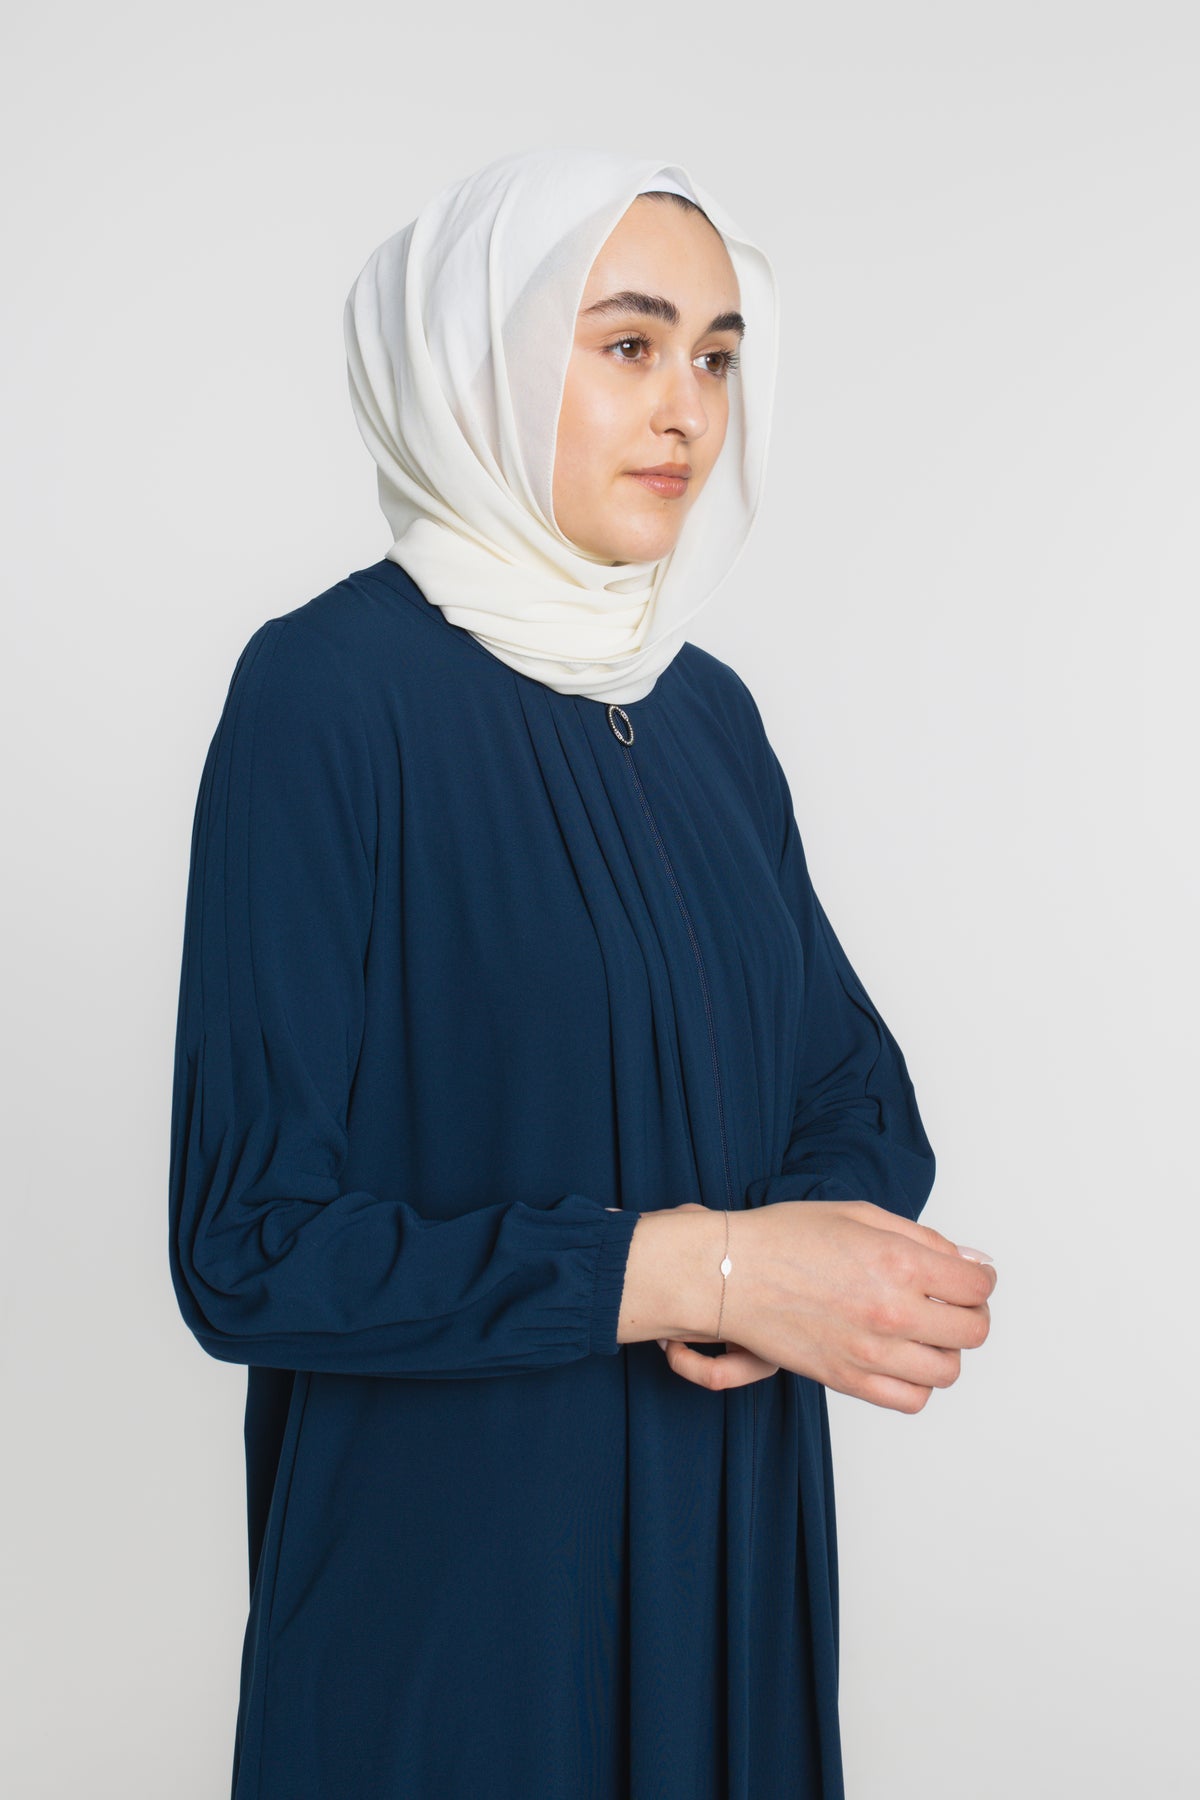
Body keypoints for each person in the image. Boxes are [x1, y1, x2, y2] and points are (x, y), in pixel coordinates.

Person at [168, 146, 997, 1800]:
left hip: (724, 1552)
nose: (686, 410)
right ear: (475, 359)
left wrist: (810, 1254)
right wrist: (708, 1274)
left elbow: (851, 1084)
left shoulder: (701, 713)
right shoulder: (326, 696)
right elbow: (249, 1249)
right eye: (627, 345)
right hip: (460, 1600)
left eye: (718, 356)